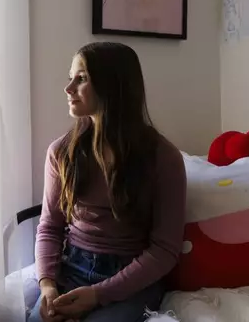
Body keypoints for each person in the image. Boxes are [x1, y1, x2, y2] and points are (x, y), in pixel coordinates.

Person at [28, 42, 187, 322]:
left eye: (82, 78)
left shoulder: (163, 157)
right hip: (72, 266)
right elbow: (50, 227)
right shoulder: (61, 152)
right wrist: (48, 285)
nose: (68, 89)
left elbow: (164, 250)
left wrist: (99, 294)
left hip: (130, 278)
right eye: (71, 78)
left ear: (112, 85)